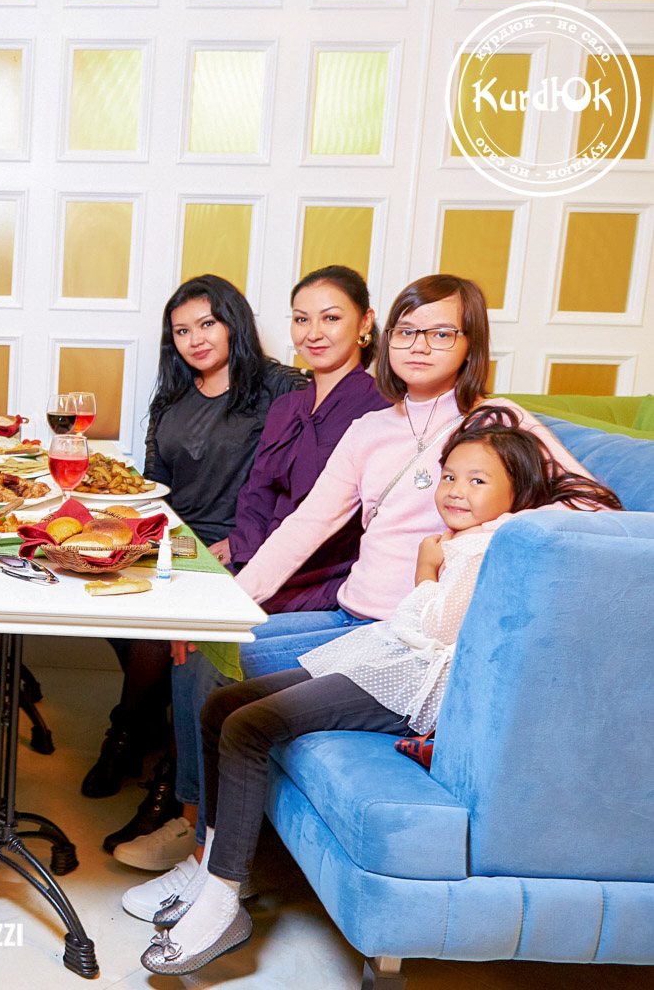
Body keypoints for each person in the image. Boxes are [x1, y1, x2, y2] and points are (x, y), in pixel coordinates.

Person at [133, 275, 594, 920]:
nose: (420, 346)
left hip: (407, 635)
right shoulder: (371, 427)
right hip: (351, 615)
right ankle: (209, 855)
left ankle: (218, 870)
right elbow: (304, 526)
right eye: (409, 331)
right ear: (388, 337)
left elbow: (592, 505)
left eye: (441, 332)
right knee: (208, 649)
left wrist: (478, 540)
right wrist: (225, 608)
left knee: (228, 686)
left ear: (471, 341)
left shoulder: (497, 422)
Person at [140, 405, 623, 975]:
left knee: (248, 727)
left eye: (478, 481)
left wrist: (426, 569)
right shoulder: (467, 536)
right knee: (222, 705)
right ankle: (213, 875)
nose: (456, 490)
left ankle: (224, 900)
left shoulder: (488, 545)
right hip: (387, 657)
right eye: (449, 476)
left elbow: (434, 629)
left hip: (414, 683)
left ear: (518, 494)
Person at [92, 275, 307, 867]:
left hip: (240, 547)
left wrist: (232, 550)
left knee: (171, 637)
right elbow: (153, 485)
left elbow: (296, 487)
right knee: (103, 596)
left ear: (234, 322)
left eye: (207, 324)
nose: (195, 340)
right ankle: (135, 734)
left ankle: (153, 766)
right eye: (182, 331)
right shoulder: (172, 397)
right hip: (175, 541)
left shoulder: (280, 388)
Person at [227, 265, 390, 614]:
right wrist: (245, 561)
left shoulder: (383, 410)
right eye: (302, 319)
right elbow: (256, 497)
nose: (313, 334)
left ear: (365, 323)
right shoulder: (285, 407)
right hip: (262, 564)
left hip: (329, 578)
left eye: (331, 318)